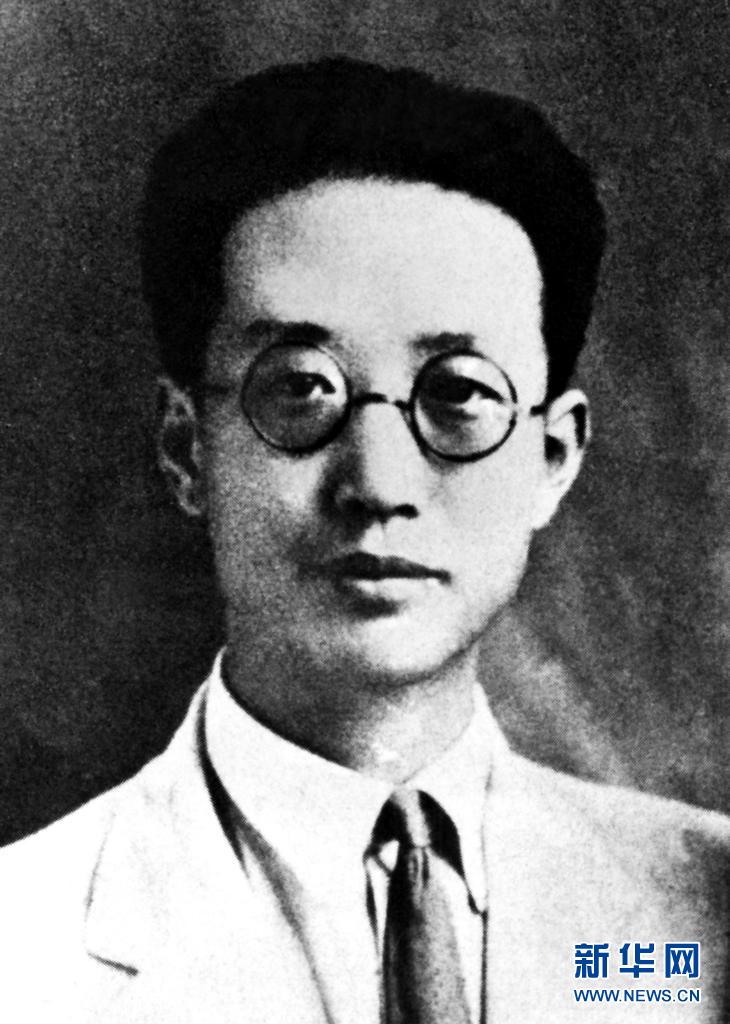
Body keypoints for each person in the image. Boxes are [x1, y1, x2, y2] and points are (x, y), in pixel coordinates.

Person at [0, 57, 727, 1023]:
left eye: (458, 393)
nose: (378, 486)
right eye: (301, 388)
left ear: (552, 457)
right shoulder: (23, 941)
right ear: (187, 449)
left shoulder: (701, 913)